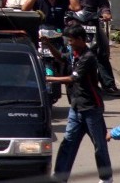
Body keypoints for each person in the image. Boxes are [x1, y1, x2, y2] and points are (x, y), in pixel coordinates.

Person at [47, 25, 113, 182]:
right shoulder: (73, 54)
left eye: (71, 40)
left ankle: (106, 178)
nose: (69, 43)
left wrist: (48, 79)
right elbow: (61, 58)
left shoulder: (88, 57)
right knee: (67, 143)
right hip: (76, 108)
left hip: (91, 109)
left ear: (80, 40)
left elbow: (73, 78)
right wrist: (48, 44)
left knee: (99, 145)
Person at [68, 0, 119, 93]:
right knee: (65, 48)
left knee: (101, 52)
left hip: (92, 24)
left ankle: (109, 84)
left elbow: (103, 4)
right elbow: (62, 1)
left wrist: (106, 13)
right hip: (74, 24)